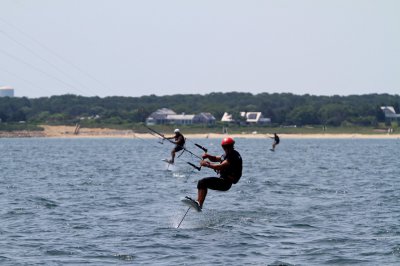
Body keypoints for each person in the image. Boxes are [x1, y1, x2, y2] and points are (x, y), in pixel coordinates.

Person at [185, 137, 242, 211]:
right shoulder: (228, 154)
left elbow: (220, 166)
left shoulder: (233, 156)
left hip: (226, 183)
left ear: (231, 146)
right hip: (223, 181)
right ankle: (198, 203)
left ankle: (199, 204)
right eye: (224, 147)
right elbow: (216, 158)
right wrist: (208, 156)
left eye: (228, 146)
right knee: (201, 182)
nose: (226, 148)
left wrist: (207, 164)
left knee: (203, 182)